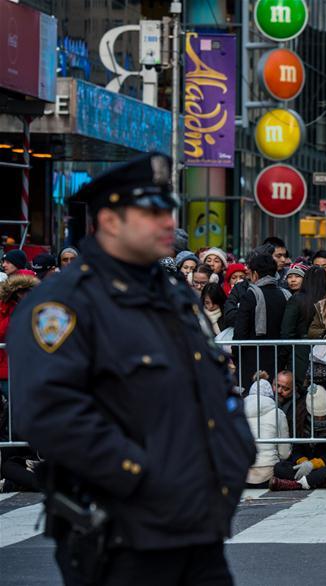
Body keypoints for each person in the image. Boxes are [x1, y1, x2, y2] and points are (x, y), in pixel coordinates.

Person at [7, 153, 256, 584]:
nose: (167, 223)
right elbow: (50, 411)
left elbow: (213, 382)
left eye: (168, 211)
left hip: (198, 526)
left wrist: (236, 454)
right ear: (110, 220)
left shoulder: (171, 293)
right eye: (151, 212)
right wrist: (142, 476)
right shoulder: (65, 302)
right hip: (124, 533)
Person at [234, 254, 291, 389]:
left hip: (251, 360)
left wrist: (236, 356)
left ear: (255, 274)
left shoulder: (250, 295)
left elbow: (240, 331)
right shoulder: (286, 295)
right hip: (279, 360)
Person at [244, 377, 292, 487]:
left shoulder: (239, 413)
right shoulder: (278, 413)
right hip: (269, 474)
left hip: (244, 475)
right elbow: (285, 453)